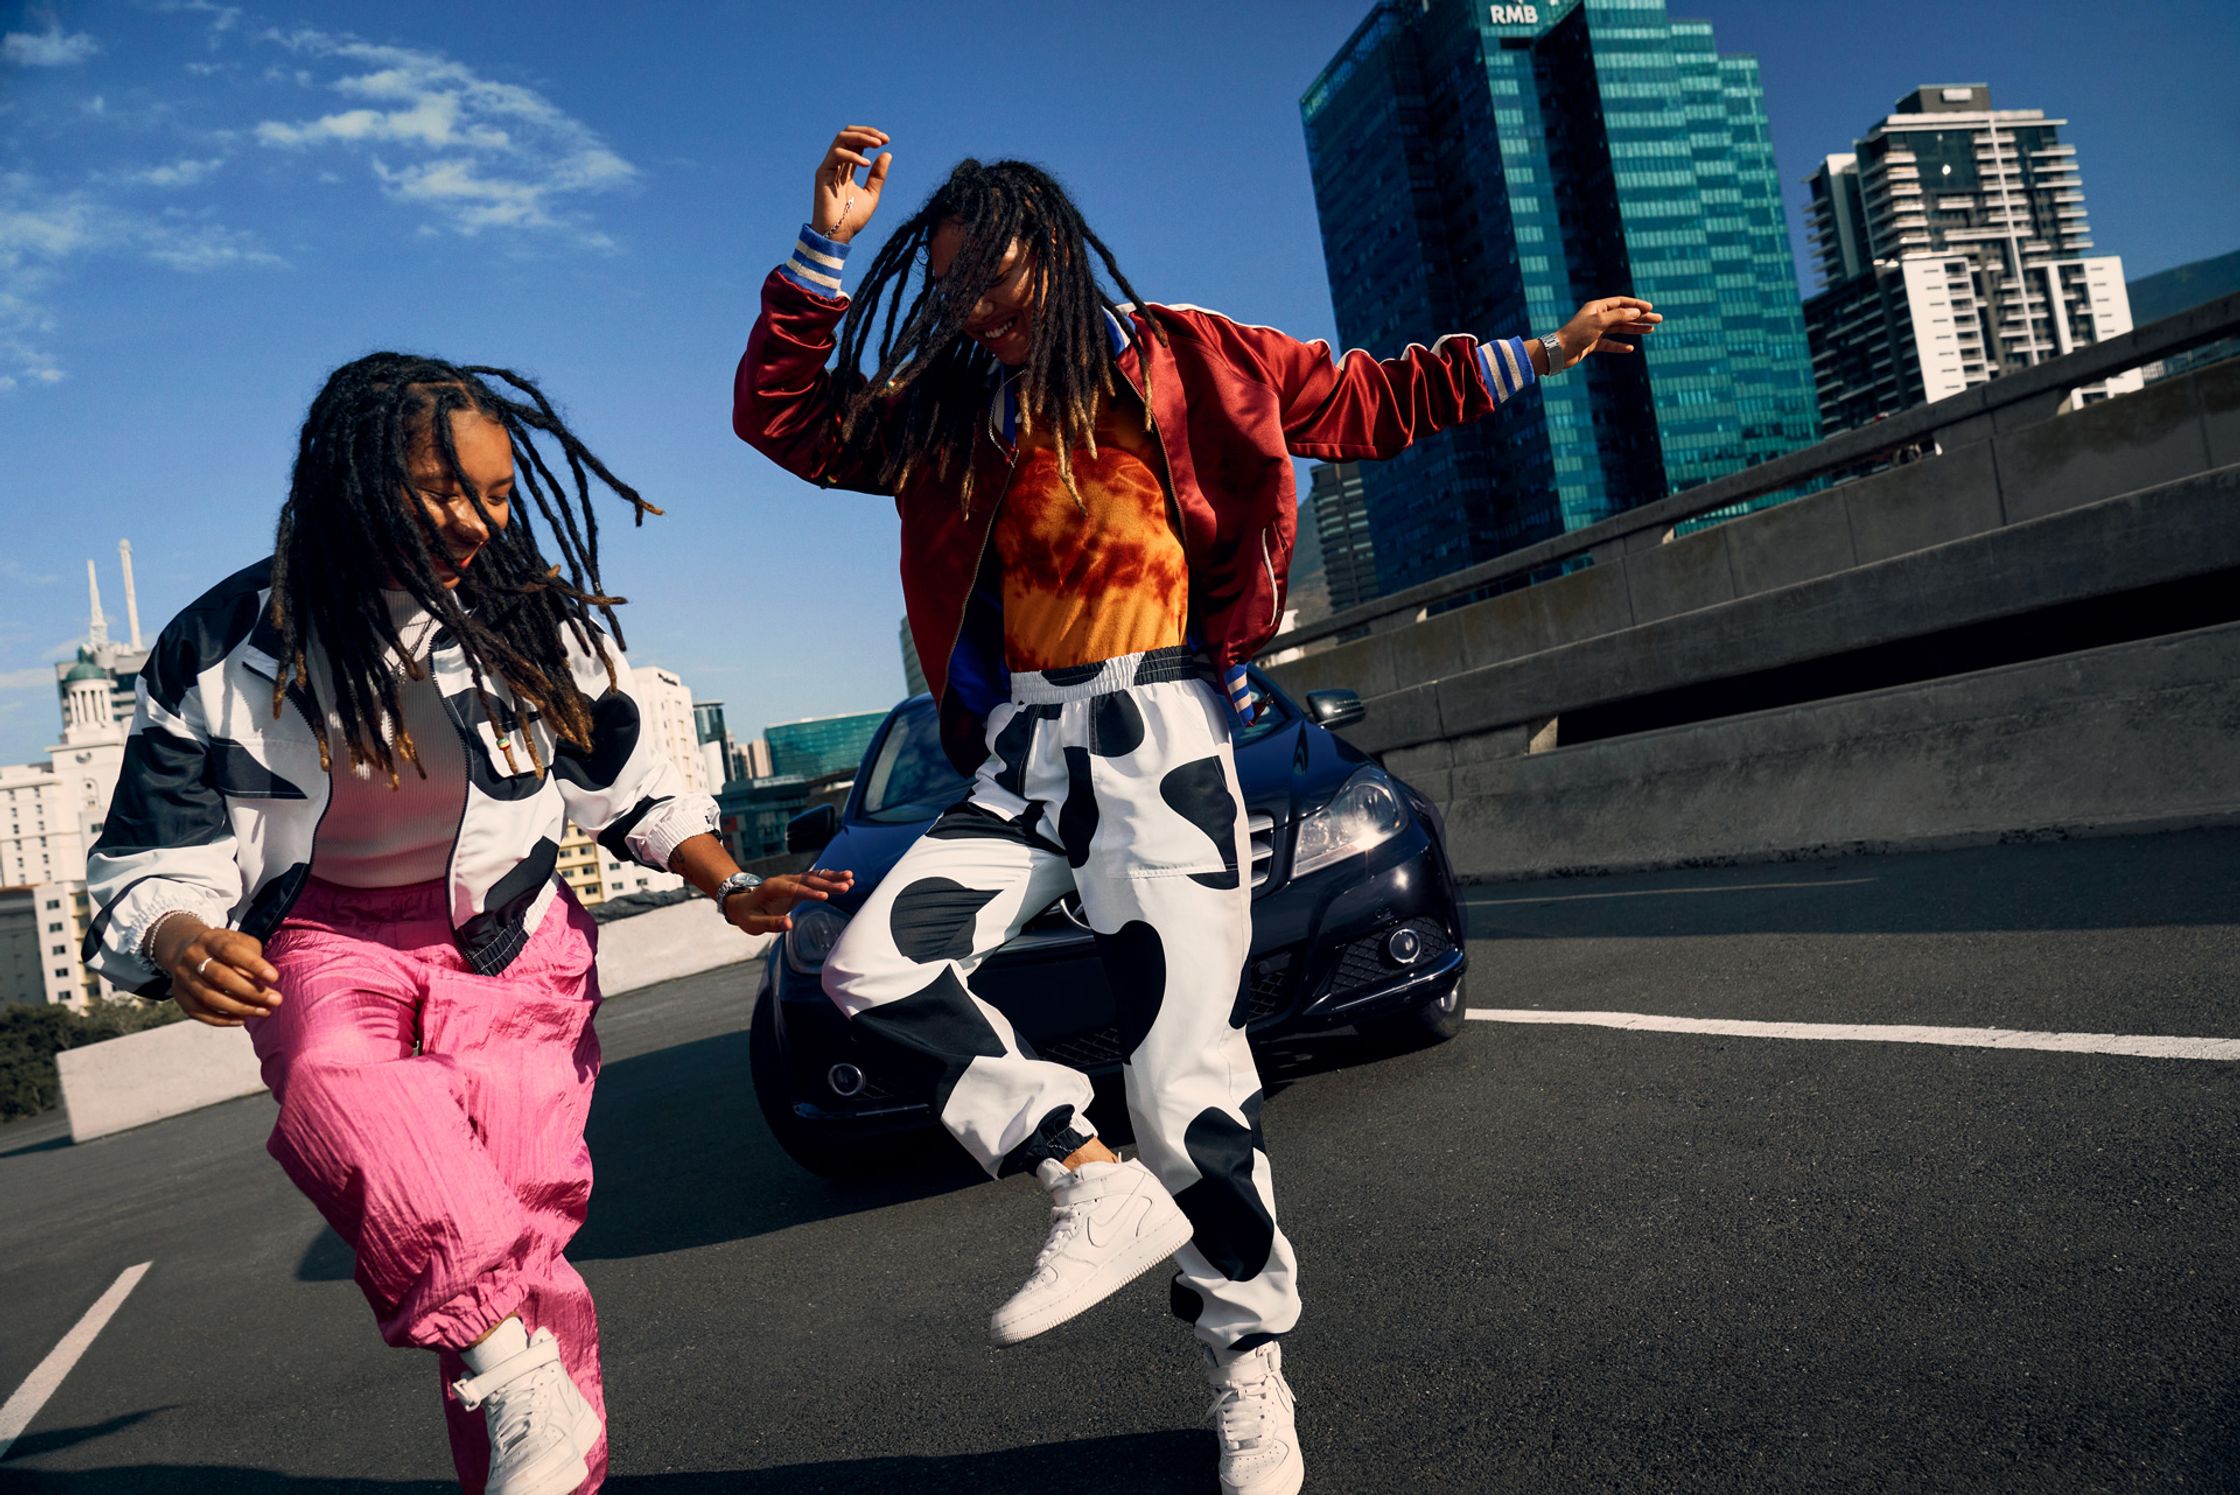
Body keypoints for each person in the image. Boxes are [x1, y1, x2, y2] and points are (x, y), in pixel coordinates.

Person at [731, 126, 1658, 1495]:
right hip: (1022, 763)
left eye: (993, 279)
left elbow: (1366, 398)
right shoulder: (945, 409)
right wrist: (826, 244)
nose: (978, 310)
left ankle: (1247, 1363)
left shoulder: (1195, 355)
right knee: (873, 963)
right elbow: (788, 420)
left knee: (1186, 1083)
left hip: (1159, 742)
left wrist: (1550, 349)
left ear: (1047, 246)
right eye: (952, 291)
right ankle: (1080, 1169)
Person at [82, 352, 851, 1495]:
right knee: (338, 1078)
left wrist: (722, 879)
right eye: (443, 490)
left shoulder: (526, 616)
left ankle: (536, 1453)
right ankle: (511, 1376)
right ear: (351, 480)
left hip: (511, 943)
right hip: (329, 940)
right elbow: (153, 853)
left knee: (519, 1241)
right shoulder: (221, 643)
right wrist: (180, 938)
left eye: (494, 495)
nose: (474, 522)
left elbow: (623, 781)